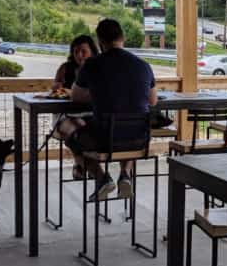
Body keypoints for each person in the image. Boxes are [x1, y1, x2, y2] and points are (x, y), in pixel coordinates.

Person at [62, 19, 157, 201]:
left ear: (100, 42)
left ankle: (101, 178)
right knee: (128, 126)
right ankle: (125, 175)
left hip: (104, 139)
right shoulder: (144, 65)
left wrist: (100, 93)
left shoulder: (92, 65)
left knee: (72, 133)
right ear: (123, 37)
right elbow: (152, 101)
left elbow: (77, 96)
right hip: (140, 139)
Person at [52, 35, 99, 180]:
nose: (79, 55)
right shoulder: (65, 68)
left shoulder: (99, 68)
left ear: (92, 51)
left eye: (83, 51)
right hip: (65, 114)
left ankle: (81, 165)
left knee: (87, 127)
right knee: (79, 127)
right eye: (76, 51)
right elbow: (56, 86)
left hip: (90, 114)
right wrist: (57, 87)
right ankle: (87, 167)